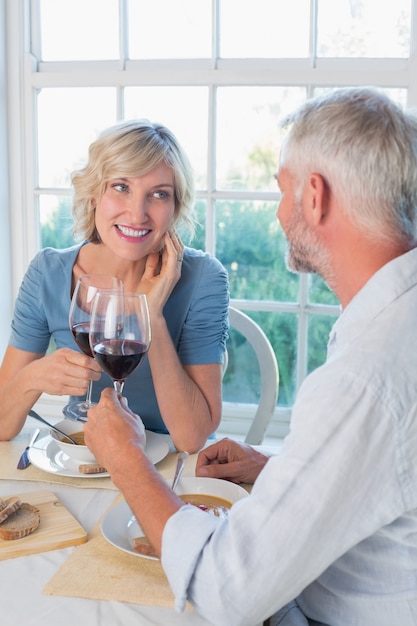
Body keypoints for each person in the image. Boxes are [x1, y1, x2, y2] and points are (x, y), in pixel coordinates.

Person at [84, 87, 417, 626]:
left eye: (282, 190)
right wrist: (281, 471)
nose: (280, 211)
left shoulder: (365, 379)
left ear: (315, 196)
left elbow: (228, 593)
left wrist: (126, 460)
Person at [0, 120, 229, 452]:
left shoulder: (204, 278)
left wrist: (153, 315)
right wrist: (33, 378)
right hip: (82, 455)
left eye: (159, 194)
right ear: (95, 194)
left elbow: (192, 439)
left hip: (170, 469)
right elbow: (3, 427)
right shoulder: (48, 273)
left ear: (175, 207)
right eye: (121, 187)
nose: (137, 214)